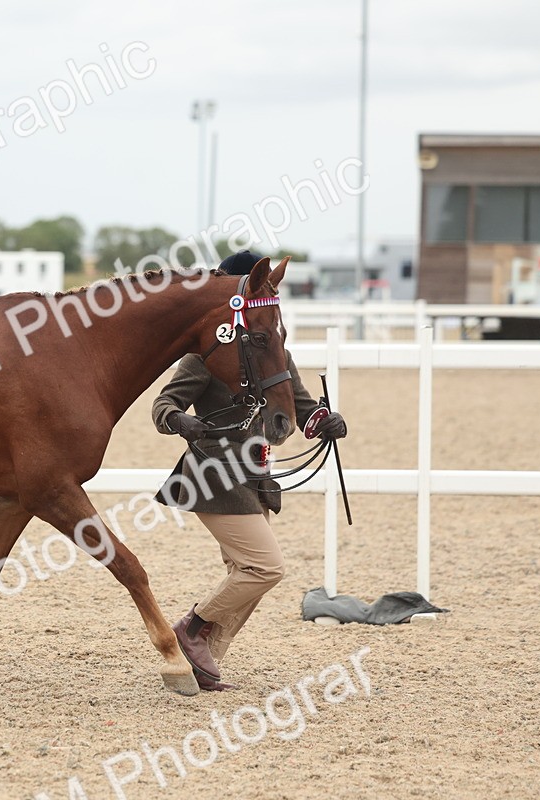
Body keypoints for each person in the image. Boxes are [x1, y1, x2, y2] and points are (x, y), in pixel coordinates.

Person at [151, 250, 348, 691]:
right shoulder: (207, 353)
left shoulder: (272, 349)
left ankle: (204, 662)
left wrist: (326, 420)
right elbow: (164, 405)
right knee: (265, 568)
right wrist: (180, 421)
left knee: (247, 578)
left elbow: (300, 410)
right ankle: (191, 628)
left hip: (255, 476)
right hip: (213, 475)